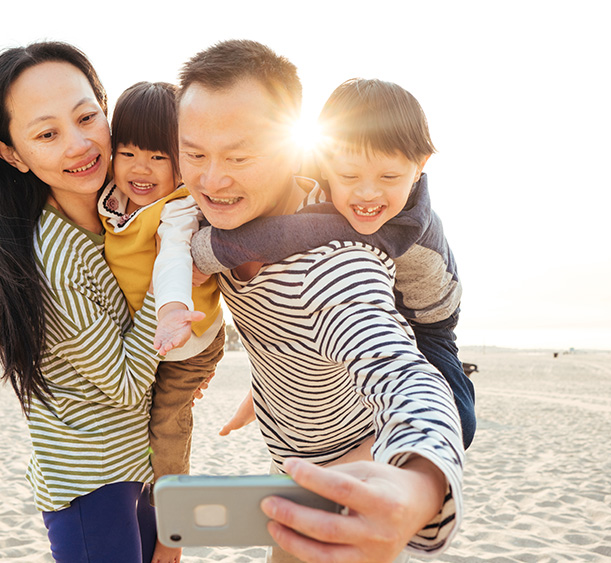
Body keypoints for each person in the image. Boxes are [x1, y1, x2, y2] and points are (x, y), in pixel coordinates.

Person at [176, 40, 465, 562]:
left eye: (238, 156)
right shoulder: (213, 212)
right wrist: (272, 383)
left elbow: (404, 374)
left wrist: (418, 487)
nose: (211, 179)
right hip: (292, 458)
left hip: (349, 471)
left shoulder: (336, 267)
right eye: (194, 154)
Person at [0, 42, 200, 563]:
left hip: (135, 464)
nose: (79, 145)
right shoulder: (52, 256)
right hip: (91, 485)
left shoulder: (118, 214)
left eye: (87, 117)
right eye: (47, 134)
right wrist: (173, 287)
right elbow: (125, 382)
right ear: (10, 153)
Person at [193, 78, 476, 450]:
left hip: (426, 321)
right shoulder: (316, 169)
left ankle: (373, 449)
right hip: (373, 304)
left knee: (460, 420)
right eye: (349, 176)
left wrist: (210, 250)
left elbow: (299, 232)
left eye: (389, 177)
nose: (367, 193)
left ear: (420, 166)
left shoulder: (406, 219)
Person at [98, 81, 227, 563]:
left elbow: (174, 255)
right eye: (127, 152)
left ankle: (173, 536)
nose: (140, 169)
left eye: (158, 156)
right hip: (154, 335)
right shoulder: (109, 197)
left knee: (167, 426)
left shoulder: (178, 207)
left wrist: (171, 308)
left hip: (189, 335)